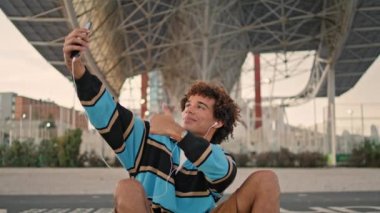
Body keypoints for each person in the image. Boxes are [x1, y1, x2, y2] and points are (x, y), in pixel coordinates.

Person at [63, 27, 280, 213]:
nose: (189, 110)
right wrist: (78, 70)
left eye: (200, 106)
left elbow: (221, 171)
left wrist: (177, 132)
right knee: (127, 188)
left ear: (218, 122)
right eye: (187, 105)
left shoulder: (220, 158)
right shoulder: (149, 140)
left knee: (266, 180)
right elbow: (109, 112)